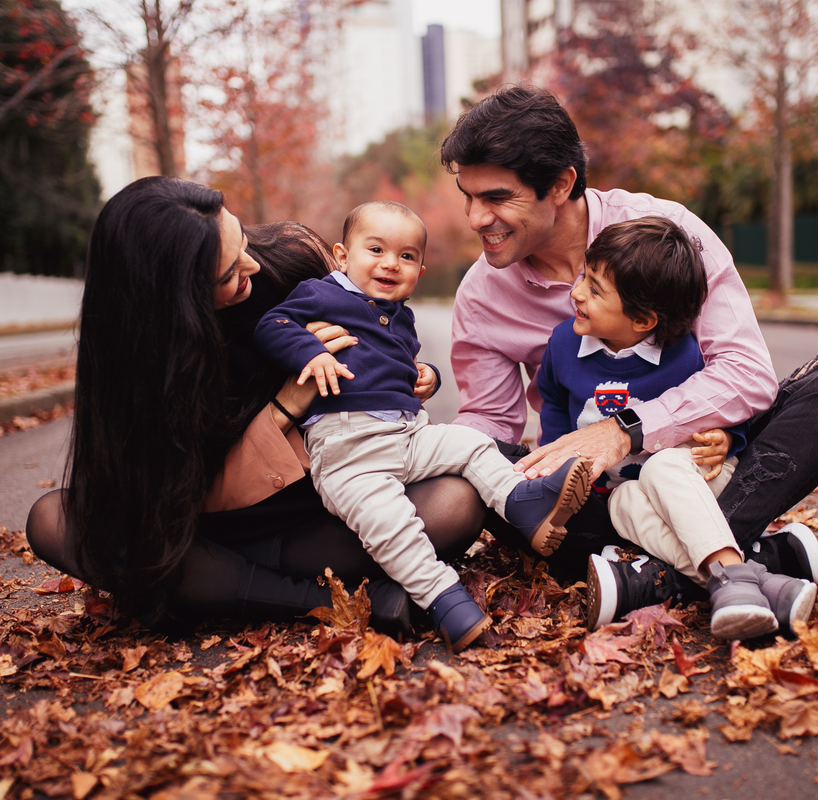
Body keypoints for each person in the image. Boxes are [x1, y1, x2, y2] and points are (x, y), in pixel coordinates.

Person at [440, 84, 818, 605]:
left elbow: (745, 371)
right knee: (481, 470)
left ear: (560, 184)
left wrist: (628, 430)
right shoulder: (481, 294)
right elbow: (490, 422)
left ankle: (656, 578)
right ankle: (745, 563)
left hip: (704, 464)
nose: (475, 219)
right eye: (469, 196)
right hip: (598, 496)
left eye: (496, 198)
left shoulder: (671, 235)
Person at [24, 177, 489, 632]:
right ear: (175, 297)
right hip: (202, 527)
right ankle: (317, 601)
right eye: (227, 272)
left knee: (456, 503)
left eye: (242, 242)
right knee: (54, 519)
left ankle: (224, 589)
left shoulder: (290, 260)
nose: (250, 266)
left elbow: (380, 327)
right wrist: (287, 403)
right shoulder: (136, 362)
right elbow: (165, 499)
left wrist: (407, 377)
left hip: (317, 512)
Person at [253, 201, 593, 651]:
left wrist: (424, 374)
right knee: (391, 525)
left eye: (407, 256)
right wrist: (309, 354)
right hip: (347, 449)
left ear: (420, 269)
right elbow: (271, 324)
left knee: (470, 443)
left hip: (408, 435)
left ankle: (522, 503)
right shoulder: (322, 294)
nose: (391, 263)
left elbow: (396, 366)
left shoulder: (401, 316)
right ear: (341, 255)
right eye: (375, 249)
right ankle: (442, 598)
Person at [537, 216, 816, 639]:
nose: (576, 293)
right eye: (584, 276)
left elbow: (719, 409)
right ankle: (754, 580)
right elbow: (554, 403)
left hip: (695, 481)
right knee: (622, 503)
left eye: (595, 289)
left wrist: (728, 439)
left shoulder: (683, 356)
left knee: (661, 466)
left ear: (644, 319)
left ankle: (736, 579)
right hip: (628, 493)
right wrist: (557, 461)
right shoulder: (563, 344)